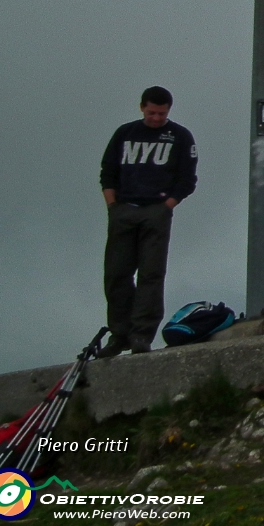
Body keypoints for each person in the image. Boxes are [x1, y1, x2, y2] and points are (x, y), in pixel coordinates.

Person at [97, 86, 198, 356]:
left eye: (162, 114)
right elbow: (108, 171)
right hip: (124, 211)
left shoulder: (180, 136)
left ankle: (142, 336)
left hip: (156, 211)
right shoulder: (125, 133)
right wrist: (113, 206)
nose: (156, 118)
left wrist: (166, 207)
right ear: (142, 107)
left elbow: (187, 180)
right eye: (152, 112)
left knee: (151, 276)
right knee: (117, 274)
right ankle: (119, 335)